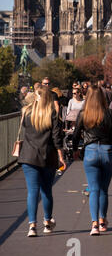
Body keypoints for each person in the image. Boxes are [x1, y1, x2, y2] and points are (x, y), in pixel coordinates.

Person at [72, 85, 112, 236]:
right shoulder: (109, 113)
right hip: (107, 151)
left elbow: (76, 134)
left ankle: (94, 224)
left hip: (90, 152)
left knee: (93, 189)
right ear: (102, 97)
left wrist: (75, 149)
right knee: (103, 190)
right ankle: (103, 220)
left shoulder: (84, 114)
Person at [18, 86, 67, 237]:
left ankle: (32, 226)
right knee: (46, 191)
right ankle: (47, 222)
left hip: (29, 156)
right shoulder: (52, 114)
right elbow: (56, 137)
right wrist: (61, 156)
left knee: (32, 191)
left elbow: (25, 129)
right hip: (47, 156)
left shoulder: (26, 112)